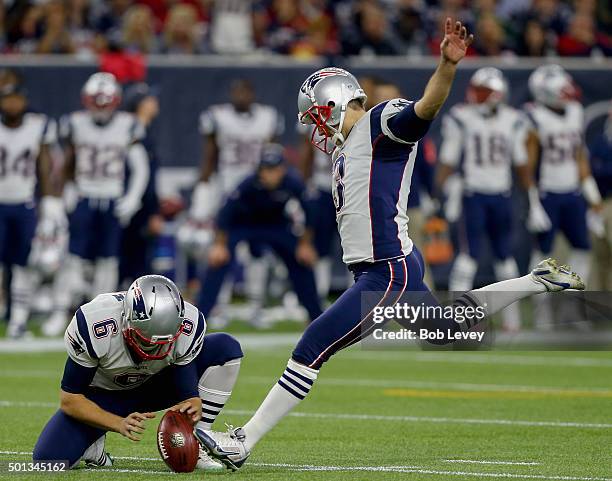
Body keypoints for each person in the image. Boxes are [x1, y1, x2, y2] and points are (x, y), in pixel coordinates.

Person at [196, 19, 584, 470]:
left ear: (335, 103)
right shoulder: (349, 146)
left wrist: (446, 66)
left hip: (388, 269)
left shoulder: (380, 122)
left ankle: (243, 442)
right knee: (446, 330)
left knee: (312, 344)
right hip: (385, 265)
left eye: (316, 117)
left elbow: (424, 109)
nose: (315, 130)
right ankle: (537, 280)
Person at [33, 275, 242, 471]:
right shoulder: (94, 324)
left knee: (226, 347)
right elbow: (70, 399)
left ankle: (199, 442)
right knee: (47, 461)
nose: (156, 349)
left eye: (165, 342)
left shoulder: (189, 322)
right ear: (127, 321)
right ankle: (93, 443)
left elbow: (183, 367)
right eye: (146, 340)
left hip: (154, 383)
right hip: (103, 395)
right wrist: (117, 423)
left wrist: (192, 399)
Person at [42, 72, 150, 336]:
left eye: (106, 102)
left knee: (108, 260)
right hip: (84, 196)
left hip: (111, 199)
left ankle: (106, 316)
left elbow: (140, 166)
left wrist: (133, 198)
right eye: (96, 102)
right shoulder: (75, 124)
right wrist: (64, 192)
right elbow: (65, 163)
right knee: (73, 258)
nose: (101, 108)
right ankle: (62, 310)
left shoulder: (128, 125)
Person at [436, 67, 543, 331]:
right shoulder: (462, 117)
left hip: (500, 195)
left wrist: (534, 199)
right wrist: (440, 193)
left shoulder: (512, 120)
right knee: (468, 258)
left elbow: (520, 163)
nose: (477, 96)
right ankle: (457, 318)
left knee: (504, 258)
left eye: (483, 92)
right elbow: (449, 159)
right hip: (474, 196)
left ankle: (511, 320)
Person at [190, 78, 284, 327]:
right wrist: (203, 192)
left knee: (258, 253)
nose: (241, 96)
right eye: (237, 91)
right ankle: (220, 306)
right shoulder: (218, 116)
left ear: (253, 93)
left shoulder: (267, 117)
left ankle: (256, 306)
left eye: (245, 91)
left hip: (258, 196)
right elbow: (209, 158)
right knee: (222, 253)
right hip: (229, 196)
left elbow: (274, 156)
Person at [198, 144, 322, 324]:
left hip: (276, 226)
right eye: (266, 169)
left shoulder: (293, 182)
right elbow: (225, 213)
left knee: (302, 260)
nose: (270, 174)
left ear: (283, 169)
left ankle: (316, 316)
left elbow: (310, 212)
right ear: (260, 170)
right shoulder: (247, 184)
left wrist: (305, 244)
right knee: (219, 261)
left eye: (275, 169)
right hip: (243, 225)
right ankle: (201, 316)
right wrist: (219, 245)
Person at [524, 64, 602, 329]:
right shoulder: (534, 117)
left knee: (582, 249)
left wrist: (592, 196)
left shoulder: (575, 112)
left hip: (572, 194)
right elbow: (528, 163)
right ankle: (542, 314)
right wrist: (533, 202)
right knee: (542, 255)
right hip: (547, 195)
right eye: (562, 89)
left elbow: (580, 155)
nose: (568, 94)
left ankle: (573, 308)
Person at [0, 75, 63, 338]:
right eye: (8, 99)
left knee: (23, 265)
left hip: (24, 204)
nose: (13, 105)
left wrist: (49, 203)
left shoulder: (38, 126)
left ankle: (18, 321)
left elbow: (44, 167)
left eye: (17, 99)